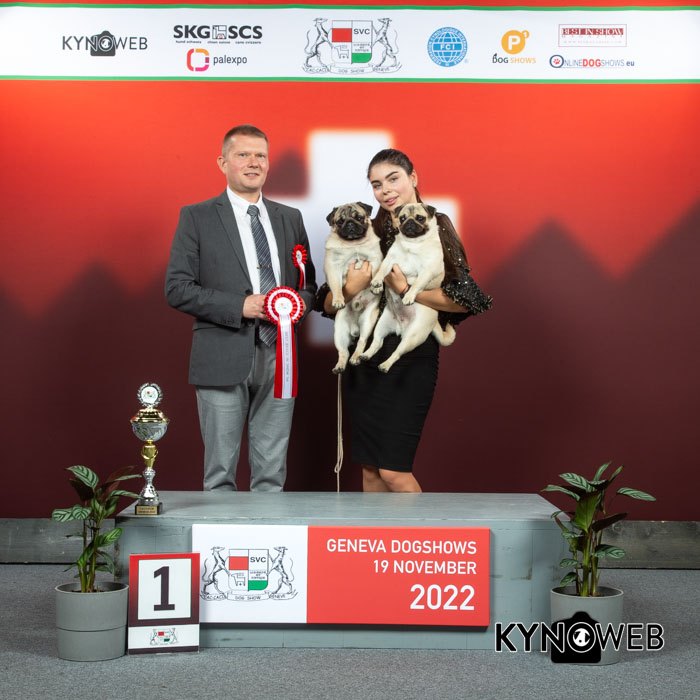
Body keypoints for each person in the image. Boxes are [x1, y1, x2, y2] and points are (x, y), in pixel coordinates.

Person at [318, 148, 491, 493]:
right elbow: (327, 304)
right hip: (364, 356)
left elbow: (466, 301)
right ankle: (376, 533)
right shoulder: (365, 227)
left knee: (393, 471)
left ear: (412, 178)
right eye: (376, 184)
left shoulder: (434, 224)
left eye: (393, 179)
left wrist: (407, 289)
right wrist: (350, 288)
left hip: (410, 357)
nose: (385, 190)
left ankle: (419, 532)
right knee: (370, 469)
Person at [165, 124, 317, 491]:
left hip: (280, 359)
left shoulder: (289, 218)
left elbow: (308, 286)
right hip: (221, 356)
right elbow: (177, 288)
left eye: (260, 155)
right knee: (219, 473)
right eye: (243, 155)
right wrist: (240, 305)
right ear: (223, 163)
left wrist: (296, 306)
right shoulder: (196, 216)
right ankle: (220, 530)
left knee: (272, 473)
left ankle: (269, 528)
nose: (253, 162)